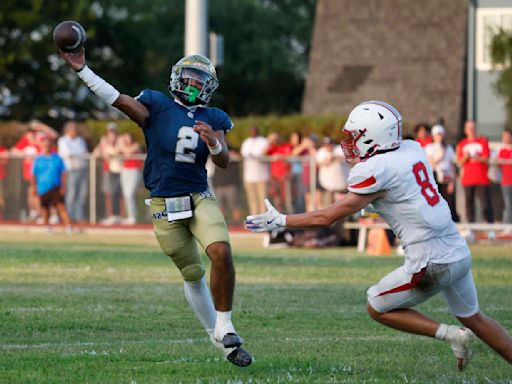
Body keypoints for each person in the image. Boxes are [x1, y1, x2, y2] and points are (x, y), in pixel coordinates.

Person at [246, 101, 512, 370]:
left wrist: (282, 220)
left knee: (376, 306)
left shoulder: (375, 169)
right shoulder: (412, 149)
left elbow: (327, 217)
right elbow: (403, 192)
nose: (349, 142)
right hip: (457, 249)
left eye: (355, 136)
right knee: (475, 318)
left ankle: (450, 334)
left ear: (374, 136)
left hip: (430, 261)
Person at [60, 48, 252, 366]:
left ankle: (226, 324)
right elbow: (118, 99)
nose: (192, 83)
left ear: (208, 86)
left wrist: (214, 143)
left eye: (199, 79)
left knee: (221, 250)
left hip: (198, 195)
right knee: (192, 274)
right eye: (188, 77)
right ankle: (221, 342)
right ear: (176, 79)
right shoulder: (157, 104)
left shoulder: (213, 116)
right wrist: (83, 70)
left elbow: (224, 161)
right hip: (164, 202)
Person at [456, 121, 494, 236]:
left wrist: (476, 158)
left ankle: (490, 228)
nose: (471, 130)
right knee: (469, 204)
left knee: (485, 203)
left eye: (472, 128)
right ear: (465, 130)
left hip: (482, 178)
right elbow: (459, 162)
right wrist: (466, 157)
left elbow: (486, 158)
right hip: (468, 179)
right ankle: (470, 228)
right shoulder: (461, 144)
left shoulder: (483, 141)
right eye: (469, 128)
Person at [31, 135, 71, 233]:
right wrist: (34, 187)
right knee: (45, 208)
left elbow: (64, 173)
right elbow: (33, 175)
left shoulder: (57, 158)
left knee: (60, 206)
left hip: (55, 187)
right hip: (42, 188)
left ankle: (68, 226)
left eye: (48, 145)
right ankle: (47, 227)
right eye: (44, 145)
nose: (46, 147)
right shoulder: (38, 160)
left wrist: (63, 186)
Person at [425, 124, 459, 222]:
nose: (439, 136)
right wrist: (440, 155)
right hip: (434, 175)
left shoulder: (448, 148)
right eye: (437, 134)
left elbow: (452, 164)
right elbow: (431, 162)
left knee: (448, 201)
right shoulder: (429, 147)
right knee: (434, 200)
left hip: (446, 177)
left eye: (440, 134)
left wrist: (452, 182)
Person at [58, 120, 89, 223]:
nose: (75, 131)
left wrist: (76, 155)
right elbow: (67, 153)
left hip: (82, 169)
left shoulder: (80, 140)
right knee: (71, 194)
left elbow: (83, 153)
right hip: (70, 171)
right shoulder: (63, 140)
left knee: (81, 194)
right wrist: (76, 155)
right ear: (67, 130)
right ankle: (69, 217)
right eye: (72, 129)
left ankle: (79, 216)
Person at [93, 123, 123, 225]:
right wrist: (102, 146)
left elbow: (118, 152)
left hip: (120, 170)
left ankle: (119, 216)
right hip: (108, 170)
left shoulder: (120, 141)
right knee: (109, 193)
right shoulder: (104, 142)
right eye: (110, 131)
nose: (112, 134)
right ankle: (111, 215)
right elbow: (96, 154)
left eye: (113, 131)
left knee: (119, 194)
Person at [240, 126, 269, 215]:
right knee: (252, 199)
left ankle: (263, 218)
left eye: (254, 130)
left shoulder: (264, 141)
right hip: (249, 176)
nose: (253, 132)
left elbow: (265, 154)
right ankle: (254, 217)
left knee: (262, 199)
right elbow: (243, 154)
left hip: (261, 176)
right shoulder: (246, 142)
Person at [117, 133, 144, 225]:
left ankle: (133, 216)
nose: (126, 140)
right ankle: (130, 216)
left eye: (127, 138)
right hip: (125, 170)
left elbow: (128, 153)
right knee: (126, 194)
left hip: (134, 171)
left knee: (130, 193)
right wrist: (119, 144)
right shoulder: (122, 146)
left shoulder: (135, 145)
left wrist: (121, 144)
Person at [498, 129, 512, 227]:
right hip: (506, 182)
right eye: (504, 136)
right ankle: (507, 226)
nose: (506, 138)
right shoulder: (501, 150)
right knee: (508, 205)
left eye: (508, 136)